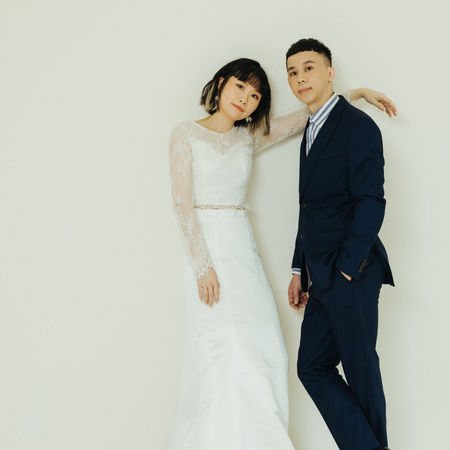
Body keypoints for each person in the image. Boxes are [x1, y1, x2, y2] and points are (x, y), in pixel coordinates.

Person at [167, 57, 396, 450]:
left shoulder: (247, 138)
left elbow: (306, 118)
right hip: (208, 254)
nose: (246, 99)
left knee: (268, 347)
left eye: (255, 96)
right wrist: (203, 266)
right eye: (240, 87)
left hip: (244, 253)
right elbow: (182, 205)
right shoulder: (184, 134)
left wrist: (354, 95)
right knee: (220, 348)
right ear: (221, 83)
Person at [287, 39, 395, 450]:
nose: (300, 78)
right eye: (293, 72)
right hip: (320, 275)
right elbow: (309, 208)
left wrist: (348, 267)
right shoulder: (311, 127)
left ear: (330, 72)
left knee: (361, 371)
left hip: (352, 272)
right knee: (312, 367)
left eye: (309, 68)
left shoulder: (358, 126)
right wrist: (299, 269)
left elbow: (371, 201)